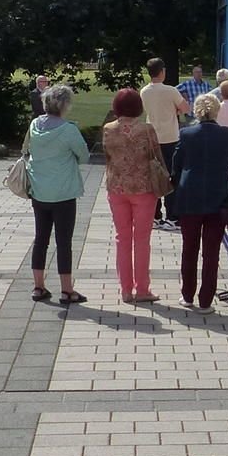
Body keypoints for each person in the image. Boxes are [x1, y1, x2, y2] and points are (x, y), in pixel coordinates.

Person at [171, 91, 228, 311]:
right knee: (211, 251)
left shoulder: (186, 134)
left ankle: (187, 296)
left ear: (197, 111)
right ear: (217, 111)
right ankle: (206, 300)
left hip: (189, 197)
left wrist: (175, 183)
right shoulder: (227, 134)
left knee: (189, 248)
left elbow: (176, 165)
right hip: (218, 198)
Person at [26, 85, 90, 304]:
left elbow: (29, 149)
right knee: (64, 242)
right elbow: (84, 156)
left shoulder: (35, 124)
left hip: (39, 190)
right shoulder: (68, 129)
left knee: (40, 239)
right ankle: (66, 289)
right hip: (63, 192)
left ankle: (38, 286)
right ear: (65, 105)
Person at [100, 88, 162, 303]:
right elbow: (157, 156)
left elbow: (107, 155)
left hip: (117, 188)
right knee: (142, 240)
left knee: (122, 238)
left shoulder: (108, 129)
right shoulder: (146, 129)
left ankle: (126, 289)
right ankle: (142, 289)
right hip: (144, 188)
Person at [141, 58, 189, 227]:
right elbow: (185, 109)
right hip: (170, 137)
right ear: (161, 72)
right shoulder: (171, 91)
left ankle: (154, 215)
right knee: (171, 177)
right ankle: (172, 216)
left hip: (152, 136)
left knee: (154, 177)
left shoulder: (144, 91)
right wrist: (176, 108)